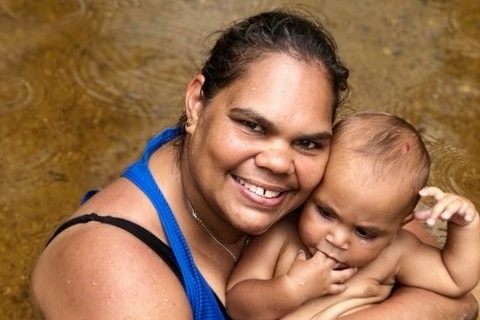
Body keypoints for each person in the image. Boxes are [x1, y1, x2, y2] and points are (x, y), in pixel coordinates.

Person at [29, 8, 478, 320]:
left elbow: (458, 291)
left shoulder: (325, 200)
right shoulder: (117, 274)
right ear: (196, 104)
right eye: (252, 125)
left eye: (307, 141)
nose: (280, 162)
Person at [226, 112, 480, 320]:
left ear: (399, 225)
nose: (337, 238)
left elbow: (454, 278)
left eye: (364, 232)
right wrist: (292, 289)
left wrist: (465, 226)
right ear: (311, 190)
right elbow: (237, 304)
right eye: (326, 213)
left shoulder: (395, 252)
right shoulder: (281, 236)